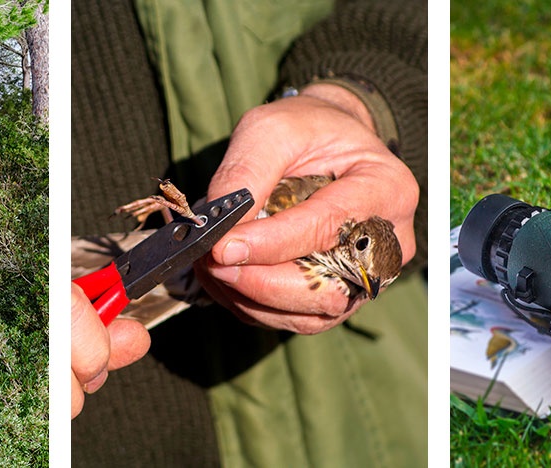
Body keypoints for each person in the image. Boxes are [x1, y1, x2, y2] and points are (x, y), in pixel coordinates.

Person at [72, 0, 427, 465]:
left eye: (378, 280)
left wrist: (361, 109)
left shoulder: (345, 276)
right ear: (355, 233)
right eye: (363, 252)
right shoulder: (312, 195)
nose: (365, 277)